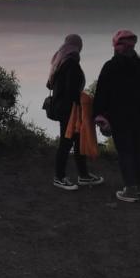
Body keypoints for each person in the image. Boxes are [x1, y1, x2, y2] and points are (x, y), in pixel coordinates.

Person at [93, 29, 140, 203]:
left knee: (125, 152)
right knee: (138, 152)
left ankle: (130, 189)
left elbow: (101, 94)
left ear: (116, 46)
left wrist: (99, 115)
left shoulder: (110, 66)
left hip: (120, 117)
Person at [47, 33, 104, 191]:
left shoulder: (59, 60)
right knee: (66, 143)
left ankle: (83, 175)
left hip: (64, 107)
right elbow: (72, 90)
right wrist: (85, 99)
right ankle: (59, 177)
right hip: (69, 110)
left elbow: (50, 85)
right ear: (78, 46)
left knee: (78, 140)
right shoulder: (71, 62)